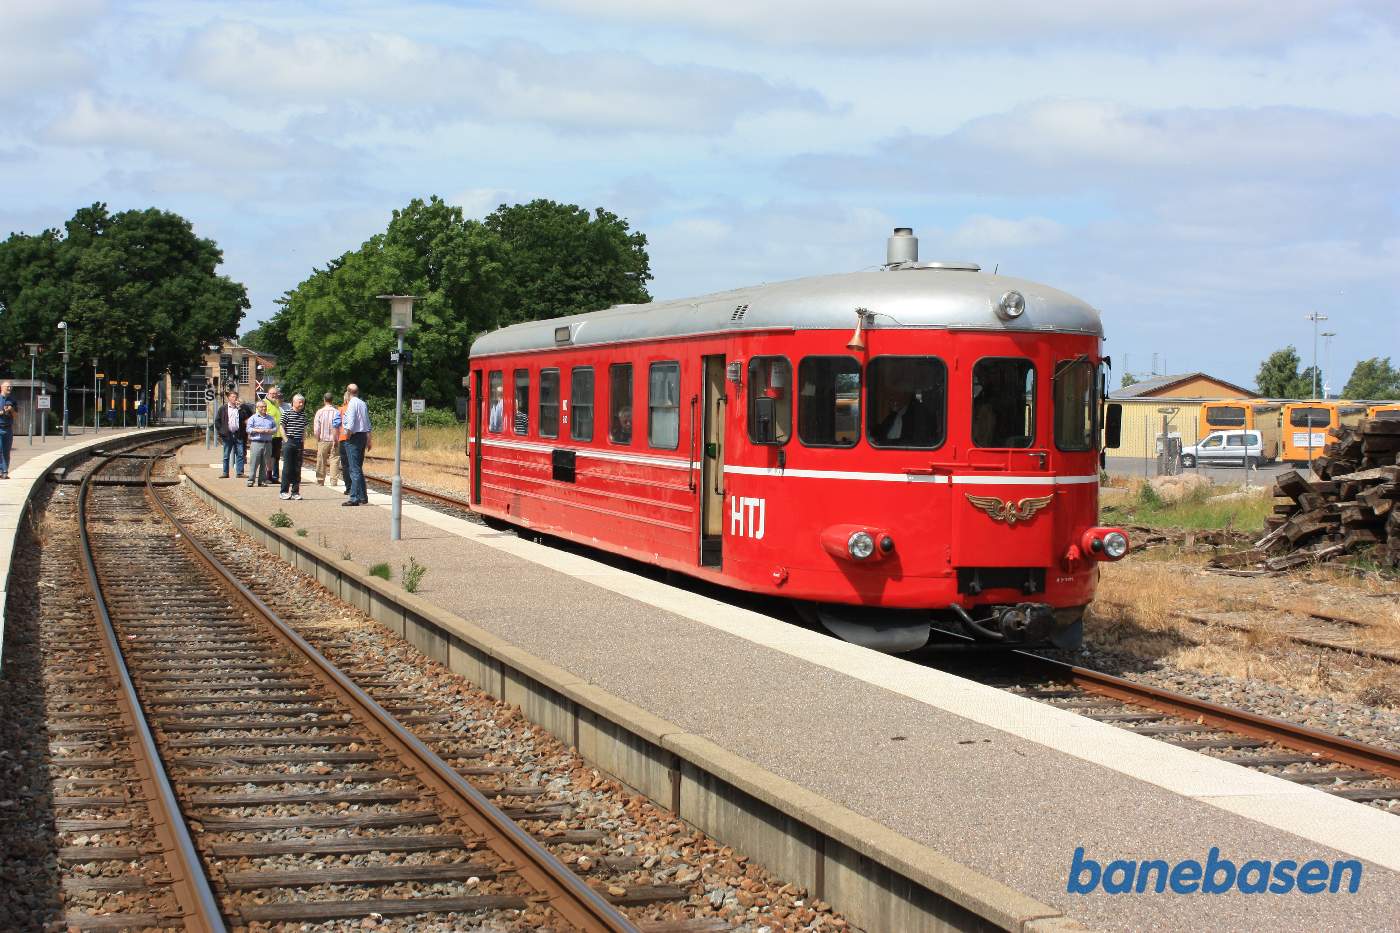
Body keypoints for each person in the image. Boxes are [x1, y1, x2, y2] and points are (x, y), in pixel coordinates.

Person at [871, 361, 938, 447]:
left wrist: (885, 443)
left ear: (906, 393)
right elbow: (882, 431)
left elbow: (916, 442)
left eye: (895, 392)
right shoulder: (895, 413)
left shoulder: (920, 414)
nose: (891, 397)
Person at [340, 383, 372, 506]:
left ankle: (354, 498)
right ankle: (363, 496)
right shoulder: (363, 403)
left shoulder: (352, 404)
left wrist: (347, 436)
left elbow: (351, 422)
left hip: (354, 437)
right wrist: (369, 439)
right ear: (357, 392)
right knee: (358, 467)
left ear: (348, 392)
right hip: (362, 436)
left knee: (354, 469)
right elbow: (367, 422)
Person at [214, 390, 252, 478]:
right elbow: (217, 421)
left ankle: (240, 473)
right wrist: (221, 432)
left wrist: (241, 408)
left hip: (238, 434)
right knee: (226, 455)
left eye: (235, 397)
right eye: (232, 397)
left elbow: (247, 418)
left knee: (240, 454)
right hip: (227, 435)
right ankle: (225, 473)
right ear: (229, 398)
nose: (234, 398)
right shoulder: (223, 408)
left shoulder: (240, 409)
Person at [279, 393, 308, 500]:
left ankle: (295, 491)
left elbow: (304, 428)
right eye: (300, 402)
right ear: (294, 402)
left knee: (297, 468)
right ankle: (284, 491)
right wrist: (286, 439)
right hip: (289, 441)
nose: (301, 404)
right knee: (287, 468)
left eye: (303, 402)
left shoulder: (303, 415)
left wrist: (303, 439)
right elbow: (281, 426)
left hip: (299, 442)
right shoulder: (286, 413)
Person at [312, 392, 341, 486]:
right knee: (335, 460)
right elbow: (339, 426)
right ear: (332, 400)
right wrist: (337, 438)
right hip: (334, 439)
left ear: (324, 400)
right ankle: (333, 481)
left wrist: (318, 439)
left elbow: (316, 429)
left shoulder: (319, 412)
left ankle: (320, 480)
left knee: (321, 459)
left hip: (323, 439)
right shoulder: (337, 412)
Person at [245, 400, 276, 487]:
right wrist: (257, 430)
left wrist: (269, 430)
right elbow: (248, 429)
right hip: (256, 442)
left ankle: (262, 481)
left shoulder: (271, 418)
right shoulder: (253, 418)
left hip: (268, 443)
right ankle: (251, 480)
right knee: (254, 462)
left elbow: (275, 429)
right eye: (262, 407)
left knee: (265, 463)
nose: (264, 408)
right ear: (257, 408)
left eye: (265, 406)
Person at [263, 386, 284, 483]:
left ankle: (275, 476)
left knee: (276, 456)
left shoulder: (276, 403)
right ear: (268, 394)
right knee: (268, 456)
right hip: (269, 435)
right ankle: (267, 476)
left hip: (278, 435)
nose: (274, 395)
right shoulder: (264, 403)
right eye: (272, 394)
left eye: (275, 394)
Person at [0, 381, 14, 480]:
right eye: (7, 386)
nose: (9, 388)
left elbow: (16, 415)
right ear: (2, 387)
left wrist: (11, 410)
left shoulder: (12, 400)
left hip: (8, 429)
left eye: (10, 387)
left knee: (6, 451)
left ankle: (5, 471)